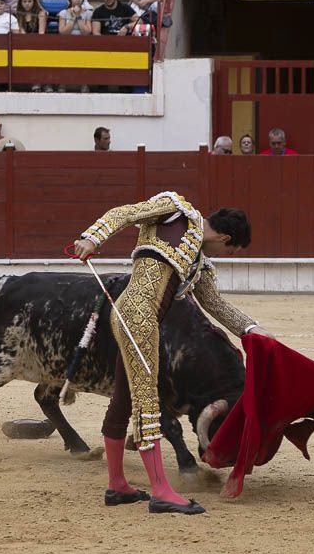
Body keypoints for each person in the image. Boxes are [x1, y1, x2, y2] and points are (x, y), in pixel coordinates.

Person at [71, 195, 274, 515]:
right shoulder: (175, 209)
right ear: (225, 238)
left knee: (124, 399)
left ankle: (117, 485)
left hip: (138, 319)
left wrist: (250, 329)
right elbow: (125, 213)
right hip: (138, 317)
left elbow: (215, 305)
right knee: (147, 400)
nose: (226, 255)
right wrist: (91, 238)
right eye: (230, 251)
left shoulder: (200, 263)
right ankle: (161, 491)